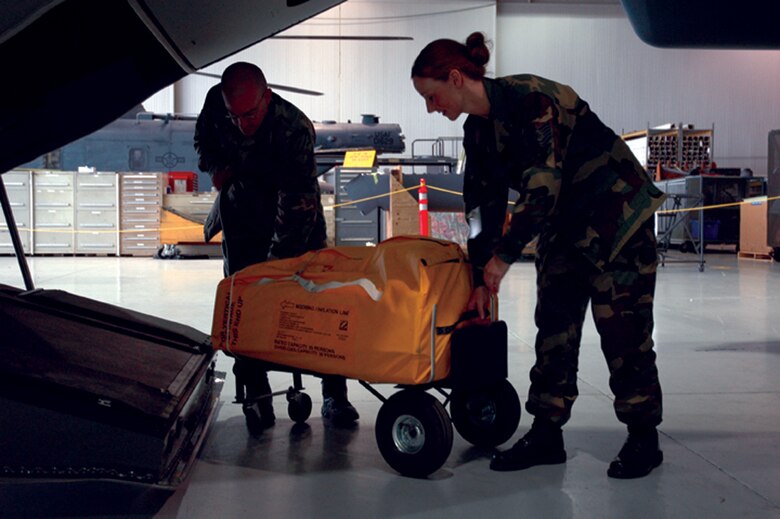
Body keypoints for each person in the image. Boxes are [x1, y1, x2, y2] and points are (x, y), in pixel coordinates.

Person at [411, 33, 666, 479]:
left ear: (455, 78)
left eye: (431, 96)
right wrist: (478, 276)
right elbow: (481, 206)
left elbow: (542, 187)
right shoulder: (477, 130)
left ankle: (643, 436)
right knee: (554, 329)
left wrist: (503, 260)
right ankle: (548, 433)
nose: (431, 108)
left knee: (624, 334)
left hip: (617, 219)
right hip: (565, 228)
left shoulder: (532, 100)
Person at [195, 61, 359, 432]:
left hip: (295, 221)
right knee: (244, 304)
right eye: (234, 116)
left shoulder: (293, 128)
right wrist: (218, 166)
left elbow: (297, 200)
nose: (241, 123)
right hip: (241, 217)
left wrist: (277, 267)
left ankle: (335, 395)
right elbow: (203, 141)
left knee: (319, 305)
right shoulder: (217, 105)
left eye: (249, 114)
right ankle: (257, 395)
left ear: (266, 98)